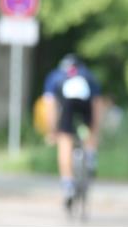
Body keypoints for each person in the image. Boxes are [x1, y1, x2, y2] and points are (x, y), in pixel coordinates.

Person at [41, 54, 103, 211]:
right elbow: (96, 104)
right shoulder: (88, 75)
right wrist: (95, 130)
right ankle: (90, 157)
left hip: (67, 105)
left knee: (64, 140)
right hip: (85, 105)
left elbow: (50, 106)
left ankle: (68, 184)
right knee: (88, 131)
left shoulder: (55, 77)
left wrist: (52, 131)